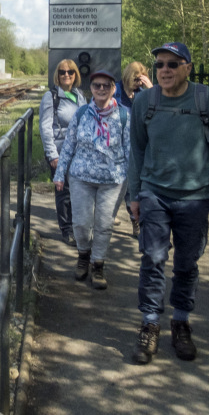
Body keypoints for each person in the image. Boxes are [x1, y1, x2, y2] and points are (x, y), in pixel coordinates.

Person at [129, 42, 209, 364]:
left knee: (187, 263)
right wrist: (134, 195)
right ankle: (150, 323)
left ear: (188, 67)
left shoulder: (207, 99)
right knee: (153, 257)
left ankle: (181, 321)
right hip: (154, 193)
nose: (164, 69)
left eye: (173, 64)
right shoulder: (145, 101)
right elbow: (135, 150)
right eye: (159, 64)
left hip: (195, 196)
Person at [53, 69, 130, 290]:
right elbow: (68, 146)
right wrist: (60, 174)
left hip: (112, 180)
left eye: (106, 85)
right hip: (81, 178)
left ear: (113, 89)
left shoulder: (124, 116)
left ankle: (98, 265)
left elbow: (130, 150)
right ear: (92, 89)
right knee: (81, 222)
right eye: (97, 85)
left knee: (104, 224)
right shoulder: (81, 113)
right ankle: (83, 256)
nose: (101, 89)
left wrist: (132, 182)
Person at [39, 60, 86, 247]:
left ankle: (78, 227)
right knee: (64, 192)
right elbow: (45, 127)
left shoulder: (79, 95)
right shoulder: (50, 97)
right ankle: (67, 231)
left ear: (76, 75)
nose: (67, 75)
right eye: (62, 72)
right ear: (57, 75)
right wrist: (52, 155)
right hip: (60, 151)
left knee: (79, 191)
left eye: (71, 72)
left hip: (79, 152)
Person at [113, 61, 153, 237]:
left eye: (141, 79)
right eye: (136, 79)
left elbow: (157, 111)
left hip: (136, 147)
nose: (138, 83)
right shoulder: (116, 92)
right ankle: (107, 217)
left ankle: (135, 221)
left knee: (132, 187)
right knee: (115, 186)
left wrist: (151, 89)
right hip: (116, 146)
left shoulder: (143, 94)